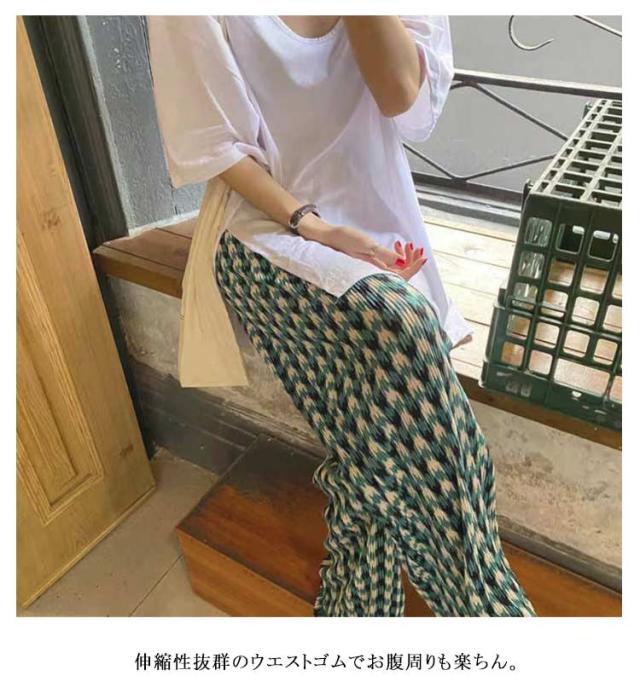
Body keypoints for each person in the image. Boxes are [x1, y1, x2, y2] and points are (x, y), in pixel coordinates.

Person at [148, 15, 536, 617]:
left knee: (371, 442)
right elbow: (216, 145)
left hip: (379, 217)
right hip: (266, 225)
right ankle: (488, 613)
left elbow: (406, 99)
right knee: (401, 325)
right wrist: (316, 226)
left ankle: (356, 610)